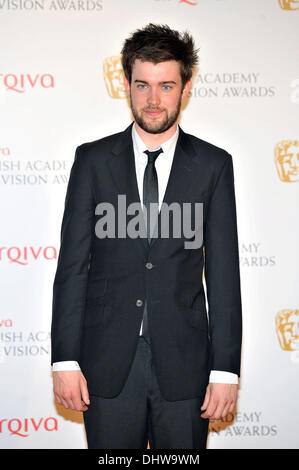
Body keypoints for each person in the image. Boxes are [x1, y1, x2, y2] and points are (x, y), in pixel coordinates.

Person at [50, 23, 242, 449]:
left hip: (187, 366)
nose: (154, 100)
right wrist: (64, 358)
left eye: (166, 86)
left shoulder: (214, 165)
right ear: (126, 84)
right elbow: (72, 268)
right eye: (143, 85)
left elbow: (225, 273)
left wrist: (226, 370)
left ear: (186, 87)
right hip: (106, 364)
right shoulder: (93, 160)